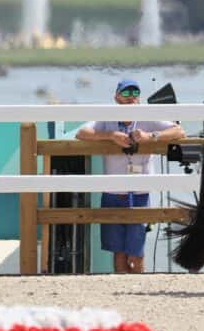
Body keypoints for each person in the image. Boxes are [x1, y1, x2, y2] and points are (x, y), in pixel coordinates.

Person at [75, 78, 185, 273]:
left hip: (140, 194)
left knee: (136, 253)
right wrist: (111, 136)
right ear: (116, 97)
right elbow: (82, 133)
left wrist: (151, 137)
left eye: (135, 93)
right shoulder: (107, 117)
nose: (130, 98)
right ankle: (122, 289)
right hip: (112, 194)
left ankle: (138, 288)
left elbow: (179, 131)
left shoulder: (147, 117)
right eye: (125, 93)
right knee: (118, 252)